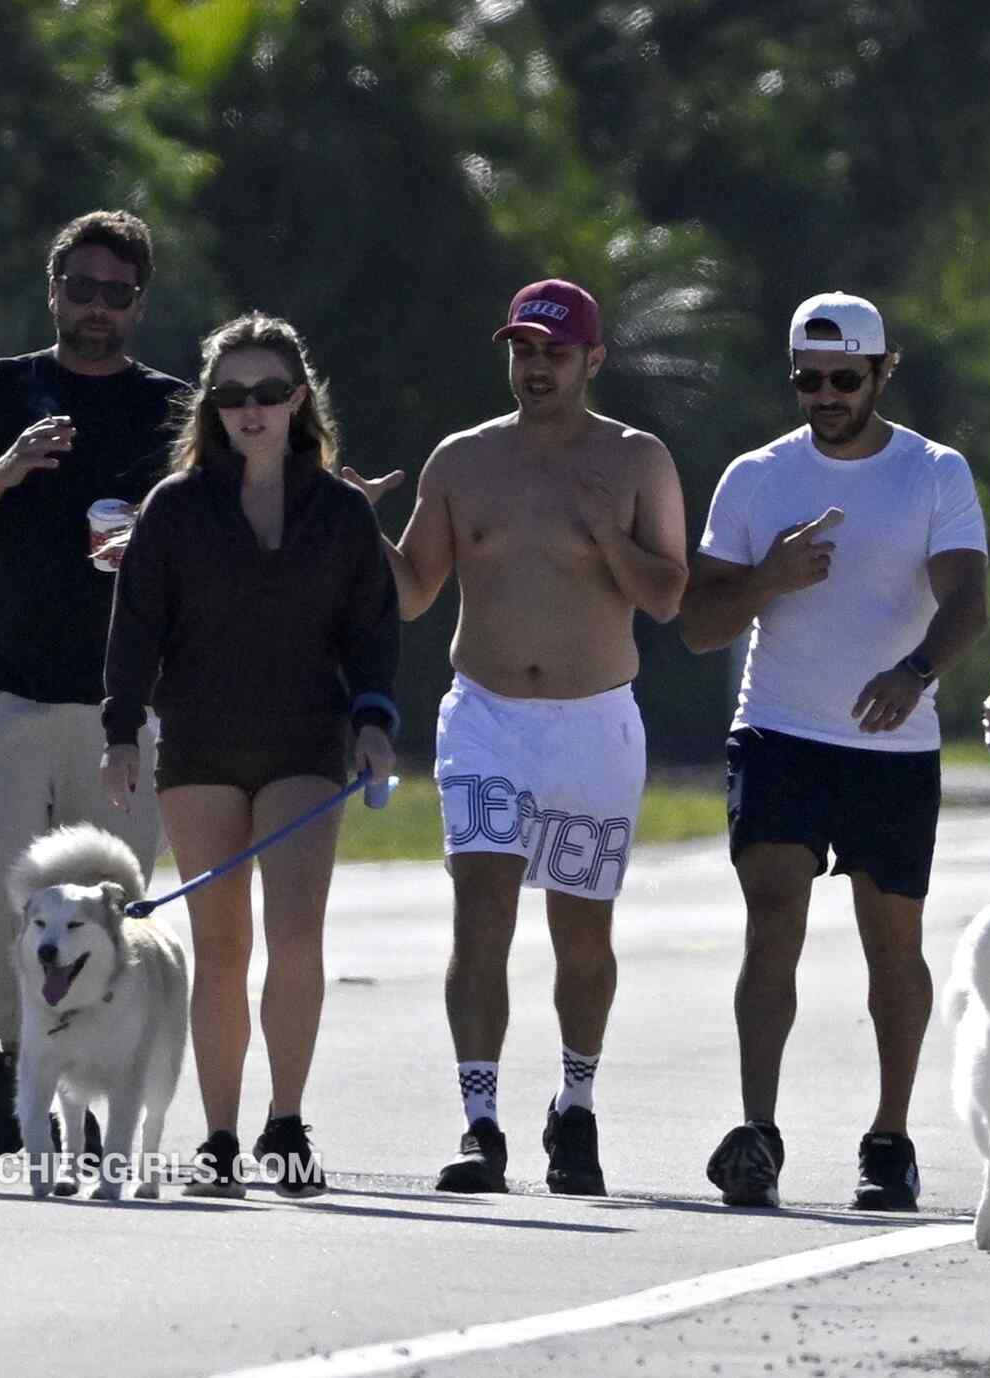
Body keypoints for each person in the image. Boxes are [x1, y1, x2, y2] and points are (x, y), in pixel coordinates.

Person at [346, 279, 688, 1196]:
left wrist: (606, 534)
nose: (537, 368)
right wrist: (358, 522)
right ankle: (480, 1125)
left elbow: (666, 595)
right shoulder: (463, 460)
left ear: (592, 359)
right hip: (488, 718)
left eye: (555, 352)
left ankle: (575, 1105)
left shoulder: (636, 458)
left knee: (582, 936)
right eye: (523, 350)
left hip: (593, 722)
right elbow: (414, 592)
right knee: (481, 913)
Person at [680, 291, 988, 1211]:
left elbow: (969, 601)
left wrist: (916, 671)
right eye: (808, 380)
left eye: (845, 379)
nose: (825, 396)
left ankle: (889, 1139)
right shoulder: (756, 477)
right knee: (772, 915)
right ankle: (758, 1132)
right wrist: (766, 579)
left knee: (891, 943)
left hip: (891, 745)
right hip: (779, 731)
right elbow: (699, 625)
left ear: (884, 371)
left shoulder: (932, 472)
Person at [99, 312, 398, 1198]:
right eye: (231, 396)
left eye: (268, 392)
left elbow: (372, 632)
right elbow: (135, 626)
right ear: (212, 407)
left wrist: (374, 721)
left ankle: (287, 1123)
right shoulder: (175, 506)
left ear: (298, 399)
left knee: (296, 936)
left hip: (305, 739)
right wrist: (121, 730)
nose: (251, 410)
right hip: (200, 741)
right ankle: (221, 1137)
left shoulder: (340, 511)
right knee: (221, 945)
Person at [0, 211, 183, 1154]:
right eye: (81, 288)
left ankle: (73, 1084)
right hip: (4, 687)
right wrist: (6, 467)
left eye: (117, 293)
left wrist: (153, 542)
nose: (97, 307)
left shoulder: (173, 409)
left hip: (124, 702)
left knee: (107, 913)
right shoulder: (2, 389)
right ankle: (13, 1042)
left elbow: (222, 531)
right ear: (53, 291)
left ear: (138, 305)